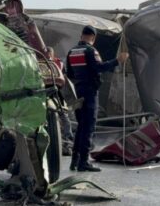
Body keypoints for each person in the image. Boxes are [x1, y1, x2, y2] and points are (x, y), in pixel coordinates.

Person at [66, 26, 129, 171]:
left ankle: (74, 161)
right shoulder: (91, 50)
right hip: (89, 93)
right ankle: (83, 162)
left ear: (81, 35)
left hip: (77, 92)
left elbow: (69, 73)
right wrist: (117, 60)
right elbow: (99, 67)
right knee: (88, 127)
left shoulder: (72, 52)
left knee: (81, 126)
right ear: (93, 38)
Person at [46, 46, 74, 156]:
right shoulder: (39, 63)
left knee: (65, 119)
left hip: (58, 95)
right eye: (46, 55)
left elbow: (65, 79)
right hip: (45, 95)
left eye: (49, 55)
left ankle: (68, 143)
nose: (48, 57)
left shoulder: (59, 64)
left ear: (53, 55)